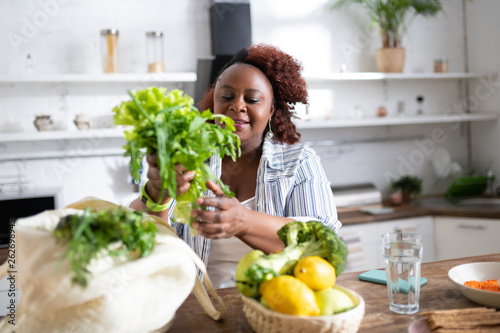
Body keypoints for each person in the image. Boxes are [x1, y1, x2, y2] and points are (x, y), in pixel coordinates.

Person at [130, 44, 340, 289]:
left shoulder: (298, 162)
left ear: (271, 109)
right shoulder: (191, 159)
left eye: (252, 99)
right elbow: (140, 244)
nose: (237, 106)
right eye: (227, 97)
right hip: (198, 310)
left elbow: (323, 243)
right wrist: (157, 194)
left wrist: (243, 221)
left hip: (275, 307)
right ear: (214, 105)